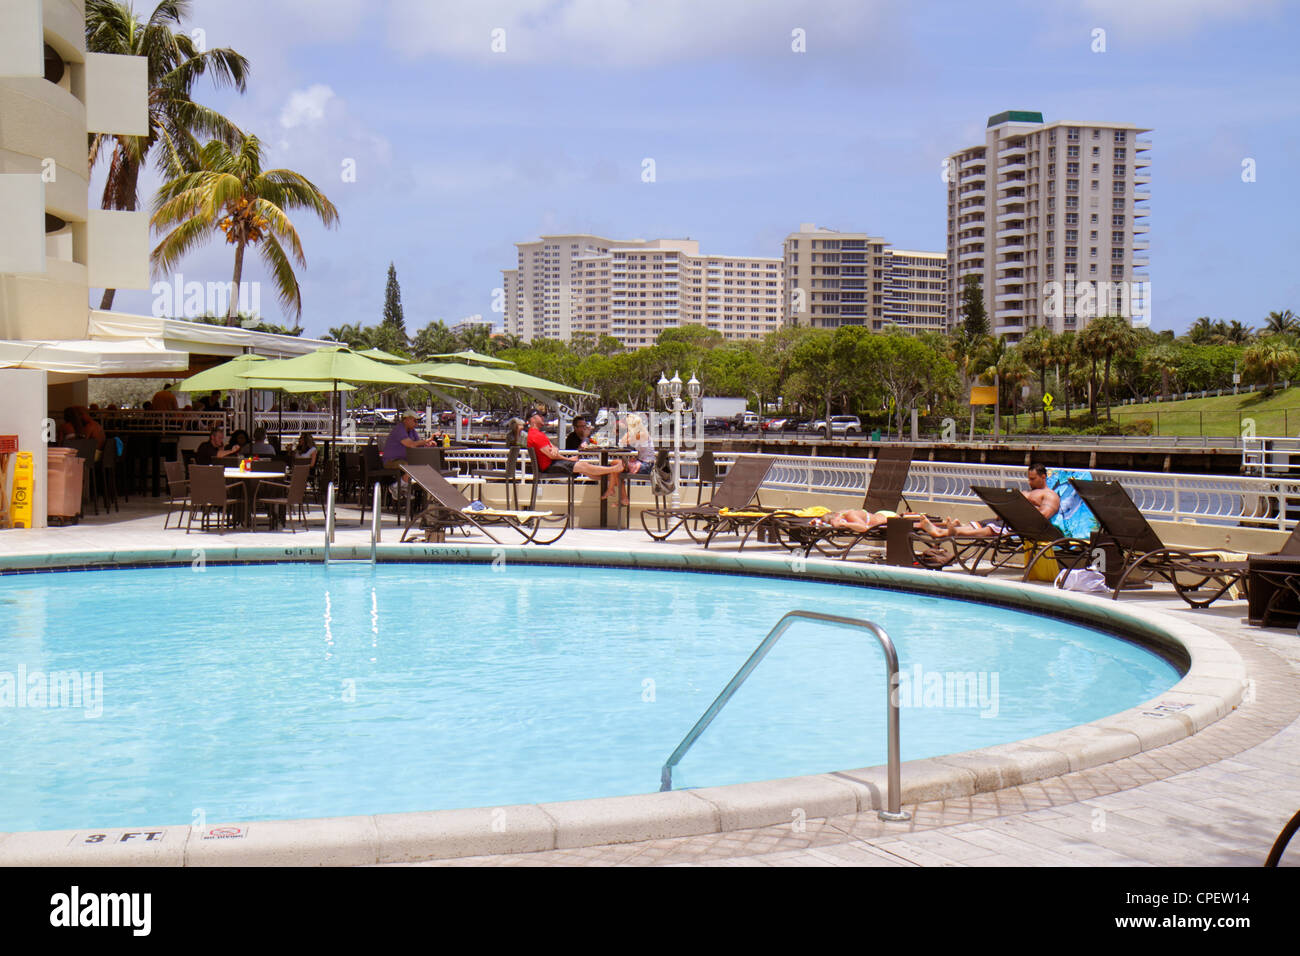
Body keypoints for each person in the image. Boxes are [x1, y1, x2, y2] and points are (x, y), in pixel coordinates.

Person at [917, 464, 1060, 538]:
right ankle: (943, 530)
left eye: (1033, 479)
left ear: (1043, 477)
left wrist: (1018, 516)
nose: (1029, 482)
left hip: (1022, 527)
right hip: (1007, 521)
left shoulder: (1050, 495)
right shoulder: (1028, 492)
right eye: (1028, 478)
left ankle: (949, 532)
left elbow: (1041, 517)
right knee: (979, 524)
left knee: (990, 530)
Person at [526, 409, 627, 503]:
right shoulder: (535, 435)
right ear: (533, 419)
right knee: (583, 465)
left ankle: (612, 478)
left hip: (553, 464)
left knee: (585, 469)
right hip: (550, 466)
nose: (543, 418)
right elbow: (551, 455)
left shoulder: (538, 434)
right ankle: (614, 469)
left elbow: (554, 448)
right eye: (540, 416)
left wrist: (556, 449)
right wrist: (568, 459)